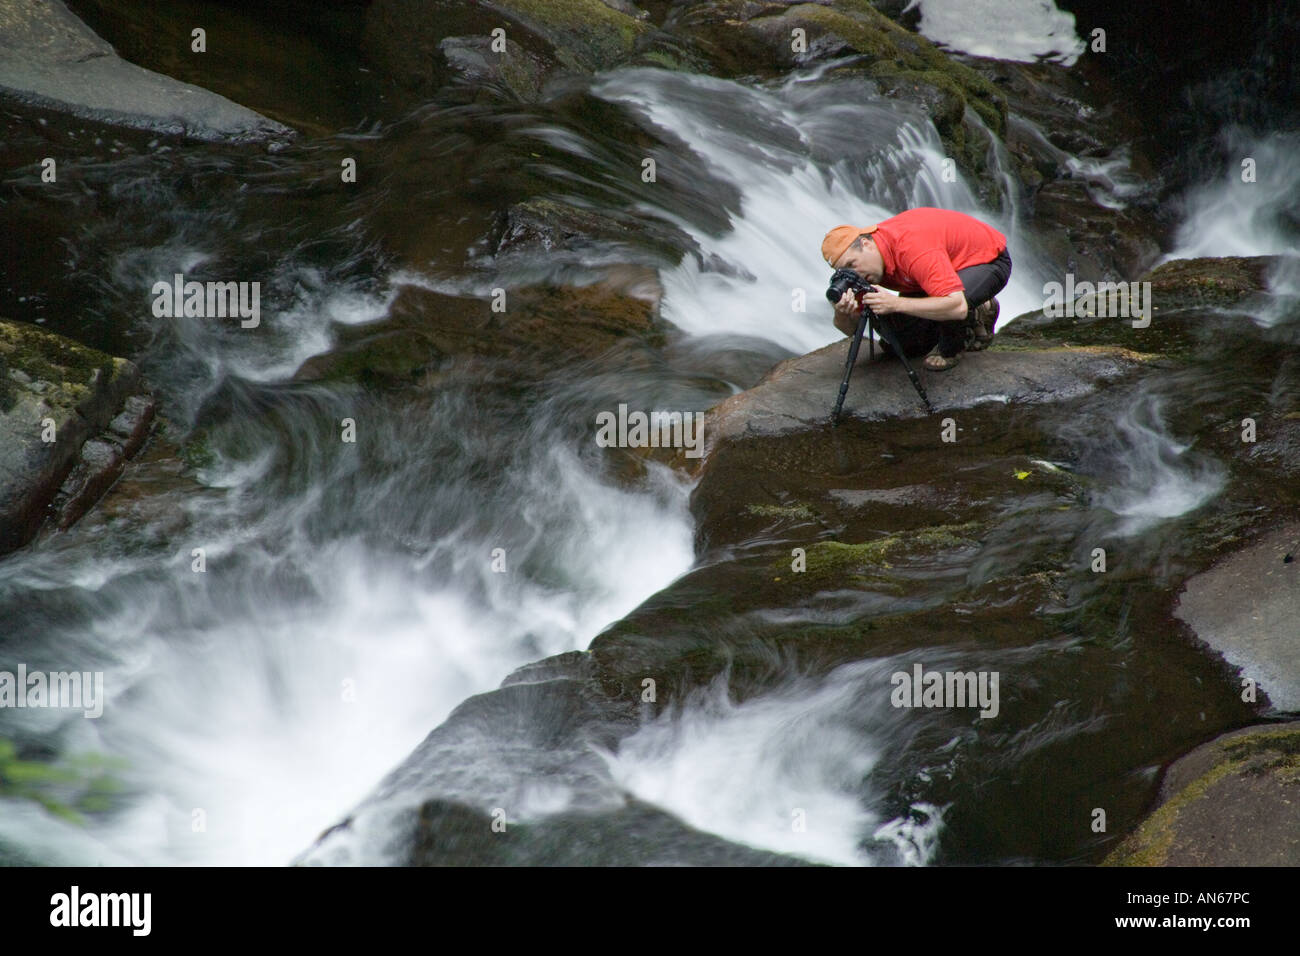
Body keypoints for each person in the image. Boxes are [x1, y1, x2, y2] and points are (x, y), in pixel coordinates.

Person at [821, 208, 1011, 370]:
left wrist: (896, 303)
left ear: (866, 244)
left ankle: (964, 332)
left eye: (852, 263)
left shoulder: (911, 247)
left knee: (953, 309)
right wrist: (843, 313)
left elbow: (957, 306)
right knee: (903, 345)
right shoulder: (864, 270)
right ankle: (963, 311)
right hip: (927, 275)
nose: (856, 274)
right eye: (845, 270)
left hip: (985, 261)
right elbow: (852, 331)